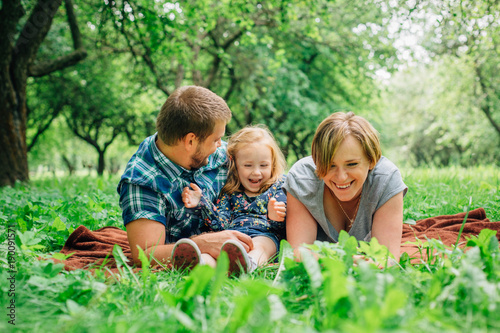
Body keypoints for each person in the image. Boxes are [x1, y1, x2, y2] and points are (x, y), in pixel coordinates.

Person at [117, 85, 254, 266]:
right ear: (191, 141)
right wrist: (201, 244)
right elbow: (146, 254)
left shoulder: (219, 154)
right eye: (215, 140)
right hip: (200, 257)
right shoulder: (142, 180)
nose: (221, 145)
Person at [284, 111, 407, 263]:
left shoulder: (386, 179)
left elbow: (387, 260)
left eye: (352, 164)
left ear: (371, 160)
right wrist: (347, 260)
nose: (341, 177)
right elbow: (298, 253)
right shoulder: (302, 178)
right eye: (330, 165)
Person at [177, 126, 287, 274]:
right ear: (235, 165)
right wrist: (202, 202)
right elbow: (220, 224)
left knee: (261, 244)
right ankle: (200, 265)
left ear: (272, 164)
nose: (256, 172)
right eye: (248, 165)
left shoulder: (277, 187)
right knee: (214, 253)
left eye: (264, 165)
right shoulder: (230, 193)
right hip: (232, 241)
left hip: (265, 234)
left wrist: (275, 217)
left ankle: (249, 263)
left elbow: (286, 228)